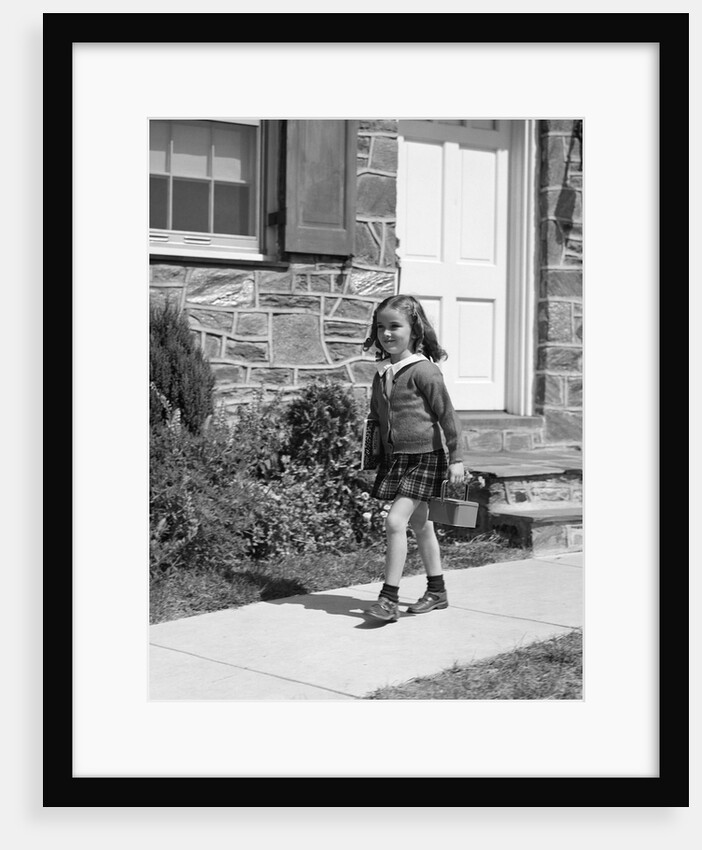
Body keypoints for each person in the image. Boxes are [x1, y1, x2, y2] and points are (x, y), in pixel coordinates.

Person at [362, 294, 466, 623]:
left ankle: (388, 599)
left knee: (396, 522)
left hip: (425, 457)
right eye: (381, 327)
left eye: (395, 326)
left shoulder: (424, 371)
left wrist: (456, 458)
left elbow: (447, 416)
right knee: (422, 525)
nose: (387, 333)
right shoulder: (383, 373)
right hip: (398, 459)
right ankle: (437, 592)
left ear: (414, 330)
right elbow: (375, 419)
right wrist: (371, 458)